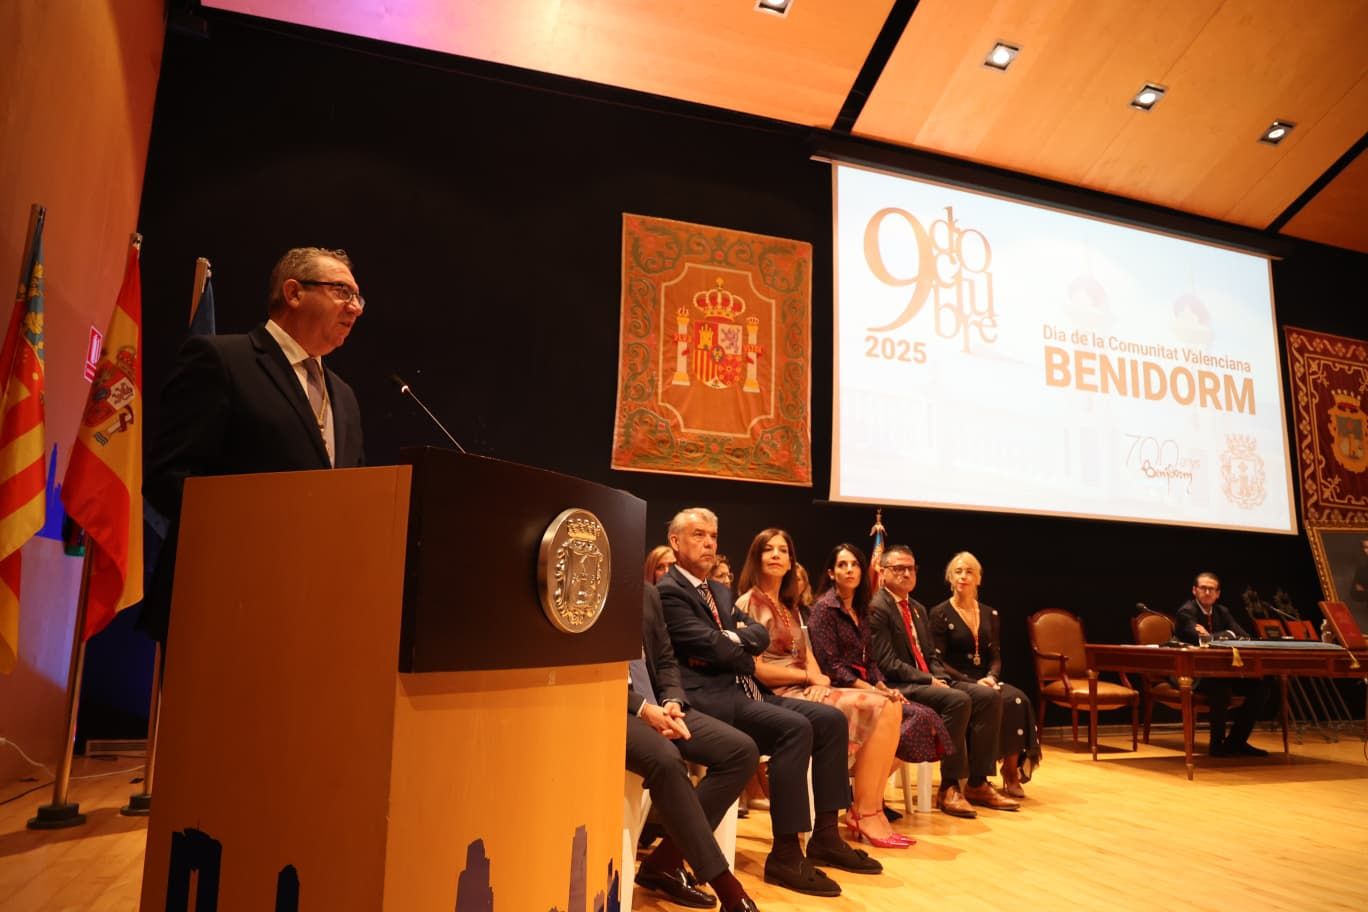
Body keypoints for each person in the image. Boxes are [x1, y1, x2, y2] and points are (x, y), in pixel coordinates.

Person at [141, 247, 365, 643]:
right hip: (222, 600)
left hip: (314, 609)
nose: (356, 308)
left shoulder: (344, 397)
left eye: (358, 297)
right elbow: (169, 478)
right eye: (342, 292)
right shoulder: (222, 360)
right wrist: (259, 540)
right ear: (294, 293)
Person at [658, 508, 882, 900]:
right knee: (794, 729)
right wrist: (736, 643)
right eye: (698, 535)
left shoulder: (720, 592)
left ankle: (826, 836)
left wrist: (736, 641)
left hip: (739, 691)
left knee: (829, 719)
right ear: (675, 542)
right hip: (705, 698)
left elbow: (756, 635)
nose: (709, 542)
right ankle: (785, 853)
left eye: (713, 535)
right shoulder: (669, 592)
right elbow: (718, 648)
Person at [735, 530, 912, 848]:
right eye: (768, 549)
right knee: (880, 706)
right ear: (756, 558)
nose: (776, 555)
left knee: (892, 704)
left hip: (806, 688)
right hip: (775, 694)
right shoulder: (747, 604)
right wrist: (808, 680)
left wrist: (819, 680)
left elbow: (809, 657)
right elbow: (755, 668)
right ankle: (864, 813)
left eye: (783, 550)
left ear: (791, 561)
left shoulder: (789, 605)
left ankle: (867, 809)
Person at [628, 584, 760, 912]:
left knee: (741, 750)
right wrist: (643, 708)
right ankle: (727, 887)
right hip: (615, 709)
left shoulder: (644, 591)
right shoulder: (587, 581)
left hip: (662, 704)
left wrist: (672, 699)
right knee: (667, 758)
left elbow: (665, 658)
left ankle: (665, 861)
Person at [808, 544, 954, 818]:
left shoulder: (861, 609)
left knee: (925, 719)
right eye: (842, 565)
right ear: (831, 572)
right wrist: (872, 691)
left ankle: (866, 795)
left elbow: (871, 661)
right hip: (840, 689)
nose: (849, 570)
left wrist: (883, 687)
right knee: (912, 714)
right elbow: (833, 667)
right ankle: (866, 802)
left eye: (854, 564)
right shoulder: (824, 610)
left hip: (867, 687)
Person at [869, 545, 1014, 816]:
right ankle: (949, 787)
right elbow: (887, 663)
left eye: (910, 568)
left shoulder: (917, 608)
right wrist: (929, 679)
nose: (905, 574)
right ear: (883, 571)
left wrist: (940, 677)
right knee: (957, 701)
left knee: (988, 697)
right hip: (897, 684)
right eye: (898, 568)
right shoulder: (878, 607)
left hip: (928, 680)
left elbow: (930, 655)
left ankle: (978, 782)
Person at [928, 552, 1041, 799]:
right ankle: (976, 779)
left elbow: (996, 654)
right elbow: (938, 660)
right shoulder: (940, 613)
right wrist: (973, 683)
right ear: (950, 578)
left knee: (1017, 699)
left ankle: (1010, 772)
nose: (963, 576)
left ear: (979, 578)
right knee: (989, 698)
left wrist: (991, 676)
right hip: (956, 679)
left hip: (986, 679)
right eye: (958, 571)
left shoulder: (991, 614)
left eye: (969, 571)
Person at [1174, 572, 1272, 757]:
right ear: (1194, 590)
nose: (1207, 592)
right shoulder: (1186, 611)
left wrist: (1216, 635)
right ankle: (1216, 744)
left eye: (1212, 589)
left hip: (1222, 671)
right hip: (1193, 674)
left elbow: (1243, 637)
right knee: (1220, 685)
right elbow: (1199, 639)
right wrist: (1226, 634)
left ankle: (1236, 741)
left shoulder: (1222, 611)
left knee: (1261, 686)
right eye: (1203, 588)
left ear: (1218, 593)